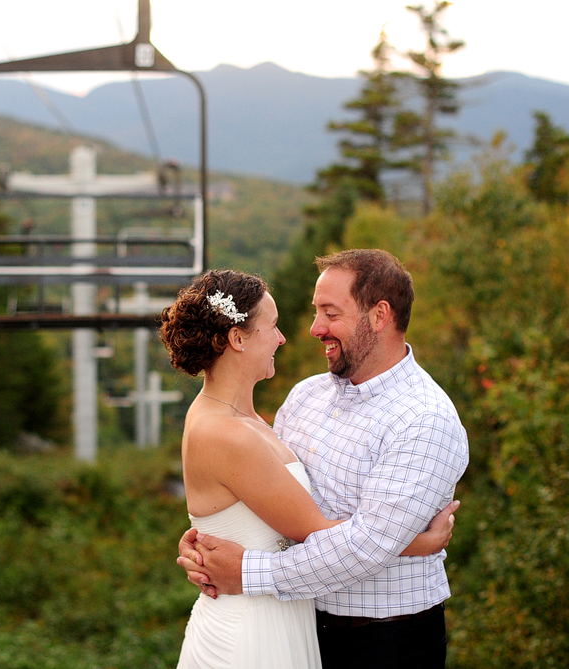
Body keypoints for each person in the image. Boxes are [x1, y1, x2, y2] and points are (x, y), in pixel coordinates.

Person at [177, 250, 469, 669]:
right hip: (300, 630)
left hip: (385, 643)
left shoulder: (424, 419)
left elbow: (364, 549)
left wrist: (244, 571)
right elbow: (266, 506)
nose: (314, 329)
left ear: (379, 315)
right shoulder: (306, 397)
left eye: (330, 313)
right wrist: (205, 541)